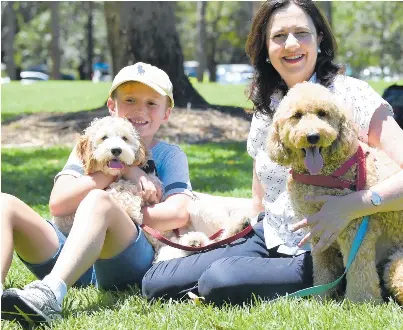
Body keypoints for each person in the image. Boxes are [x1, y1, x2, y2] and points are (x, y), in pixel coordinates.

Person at [140, 0, 403, 305]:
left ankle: (342, 283)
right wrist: (232, 234)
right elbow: (259, 197)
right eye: (279, 36)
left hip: (322, 248)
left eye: (301, 33)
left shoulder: (352, 95)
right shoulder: (268, 105)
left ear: (319, 37)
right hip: (271, 233)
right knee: (156, 282)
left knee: (218, 280)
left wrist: (353, 205)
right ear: (265, 47)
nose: (291, 44)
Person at [1, 62, 193, 324]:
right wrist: (120, 172)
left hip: (121, 260)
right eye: (129, 100)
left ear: (166, 113)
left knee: (98, 201)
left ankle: (49, 294)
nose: (139, 110)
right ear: (112, 106)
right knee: (4, 204)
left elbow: (179, 214)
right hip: (68, 252)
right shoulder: (93, 143)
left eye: (151, 103)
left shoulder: (170, 155)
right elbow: (58, 204)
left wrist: (114, 211)